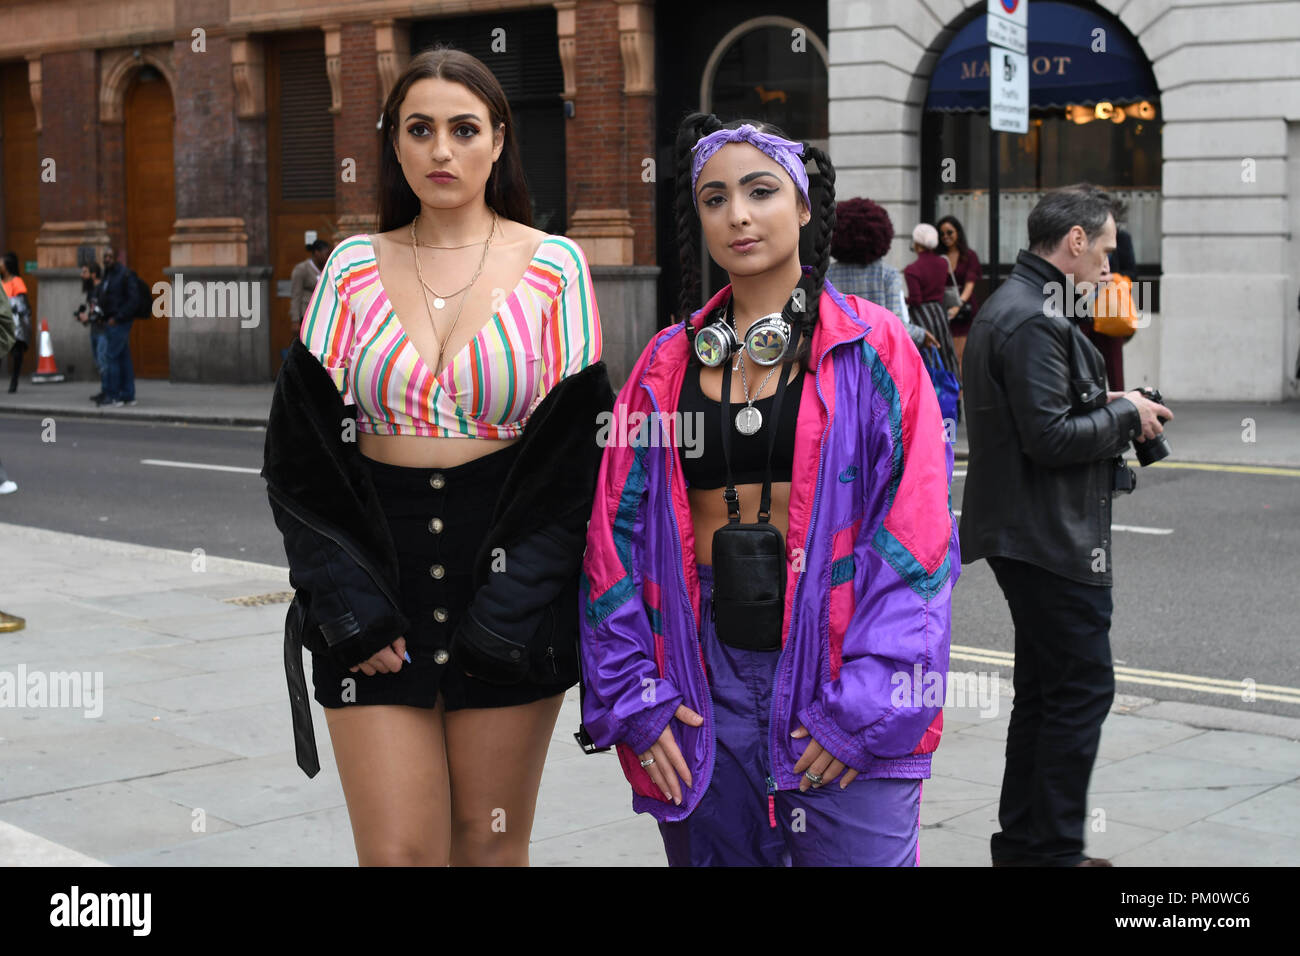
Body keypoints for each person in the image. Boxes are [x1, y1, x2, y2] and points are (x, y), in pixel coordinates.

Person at [577, 114, 960, 867]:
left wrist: (868, 706)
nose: (738, 215)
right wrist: (636, 701)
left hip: (839, 663)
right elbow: (610, 544)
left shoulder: (875, 345)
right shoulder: (662, 366)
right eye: (714, 199)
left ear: (805, 206)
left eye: (760, 191)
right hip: (699, 676)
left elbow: (916, 538)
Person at [263, 46, 609, 866]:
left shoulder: (557, 266)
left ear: (498, 140)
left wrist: (518, 601)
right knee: (399, 856)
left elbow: (577, 465)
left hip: (511, 579)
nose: (442, 150)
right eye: (419, 130)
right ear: (394, 144)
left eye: (463, 128)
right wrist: (348, 606)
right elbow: (300, 459)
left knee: (487, 850)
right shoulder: (349, 267)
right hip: (378, 575)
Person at [960, 183, 1174, 868]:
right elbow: (1049, 438)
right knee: (1080, 691)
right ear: (1075, 241)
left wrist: (1111, 398)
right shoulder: (1035, 320)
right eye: (1106, 249)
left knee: (1046, 693)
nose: (1111, 265)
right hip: (1049, 538)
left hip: (1028, 533)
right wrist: (1122, 417)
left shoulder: (1024, 307)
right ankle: (1050, 851)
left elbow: (1040, 409)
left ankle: (1024, 846)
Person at [827, 197, 938, 353]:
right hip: (878, 356)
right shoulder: (888, 275)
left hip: (839, 355)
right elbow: (896, 324)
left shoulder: (828, 274)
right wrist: (922, 334)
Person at [903, 223, 959, 376]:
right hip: (939, 312)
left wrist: (903, 300)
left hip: (921, 315)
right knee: (946, 349)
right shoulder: (942, 263)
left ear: (916, 243)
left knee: (926, 354)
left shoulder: (912, 269)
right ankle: (954, 385)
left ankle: (929, 388)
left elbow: (916, 300)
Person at [936, 215, 981, 372]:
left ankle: (960, 394)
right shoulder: (939, 257)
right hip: (945, 310)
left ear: (958, 233)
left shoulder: (969, 256)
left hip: (964, 311)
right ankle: (955, 392)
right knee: (947, 356)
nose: (946, 237)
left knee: (960, 355)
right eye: (942, 234)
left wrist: (958, 305)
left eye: (949, 232)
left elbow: (970, 284)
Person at [94, 248, 137, 406]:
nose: (107, 259)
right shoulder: (108, 276)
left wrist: (117, 317)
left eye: (110, 256)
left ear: (116, 258)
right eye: (105, 256)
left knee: (111, 356)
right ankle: (128, 394)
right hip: (109, 321)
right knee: (123, 358)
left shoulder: (124, 275)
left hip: (119, 322)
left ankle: (113, 395)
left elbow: (133, 301)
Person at [288, 239, 331, 359]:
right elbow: (296, 295)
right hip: (306, 314)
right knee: (306, 349)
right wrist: (295, 320)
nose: (328, 256)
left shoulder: (327, 269)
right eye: (326, 253)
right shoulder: (302, 269)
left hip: (321, 316)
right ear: (316, 253)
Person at [74, 262, 105, 402]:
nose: (82, 275)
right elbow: (91, 311)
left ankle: (109, 392)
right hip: (94, 331)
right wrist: (83, 318)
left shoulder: (102, 289)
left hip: (104, 332)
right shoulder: (91, 292)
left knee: (104, 362)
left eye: (84, 272)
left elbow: (103, 312)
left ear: (93, 274)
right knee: (99, 362)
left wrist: (89, 317)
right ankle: (105, 391)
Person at [2, 252, 32, 394]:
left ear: (7, 266)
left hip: (14, 325)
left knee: (16, 354)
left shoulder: (16, 282)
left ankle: (14, 381)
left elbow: (22, 303)